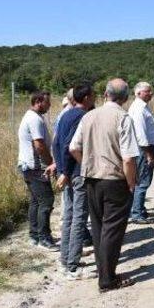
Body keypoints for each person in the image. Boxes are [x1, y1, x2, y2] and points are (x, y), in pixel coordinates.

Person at [69, 78, 140, 292]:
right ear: (125, 97)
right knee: (113, 231)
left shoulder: (88, 116)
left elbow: (73, 147)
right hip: (114, 179)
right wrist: (131, 183)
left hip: (91, 179)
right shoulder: (123, 117)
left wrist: (88, 164)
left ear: (105, 94)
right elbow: (128, 158)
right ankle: (107, 280)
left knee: (99, 228)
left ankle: (105, 274)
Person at [53, 83, 96, 279]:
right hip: (77, 173)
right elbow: (70, 147)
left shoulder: (66, 115)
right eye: (93, 95)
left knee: (70, 217)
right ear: (86, 97)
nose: (95, 98)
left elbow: (55, 144)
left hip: (69, 173)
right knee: (79, 218)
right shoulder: (82, 117)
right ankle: (72, 266)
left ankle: (66, 259)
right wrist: (67, 172)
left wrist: (61, 169)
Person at [17, 90, 58, 251]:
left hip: (28, 166)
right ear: (39, 101)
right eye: (47, 102)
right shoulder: (34, 120)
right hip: (35, 167)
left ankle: (34, 235)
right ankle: (44, 238)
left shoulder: (31, 117)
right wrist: (50, 164)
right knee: (46, 201)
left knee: (35, 201)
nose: (49, 105)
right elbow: (39, 145)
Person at [128, 81, 154, 224]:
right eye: (148, 91)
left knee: (141, 180)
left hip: (146, 148)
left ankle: (138, 208)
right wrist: (148, 153)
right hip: (144, 149)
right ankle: (137, 212)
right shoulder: (139, 109)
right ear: (138, 93)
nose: (151, 93)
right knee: (143, 181)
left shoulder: (142, 107)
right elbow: (140, 134)